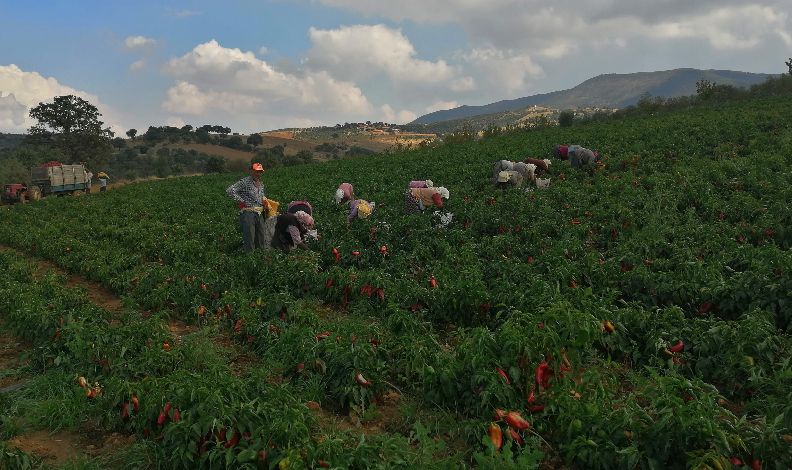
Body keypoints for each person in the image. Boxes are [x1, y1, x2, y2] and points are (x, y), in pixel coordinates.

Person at [225, 163, 268, 253]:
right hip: (248, 213)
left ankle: (260, 257)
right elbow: (229, 191)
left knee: (261, 237)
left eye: (260, 172)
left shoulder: (261, 184)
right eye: (257, 172)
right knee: (250, 237)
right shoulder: (244, 182)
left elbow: (261, 196)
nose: (259, 174)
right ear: (251, 171)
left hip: (259, 213)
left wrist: (264, 202)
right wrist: (241, 201)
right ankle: (250, 258)